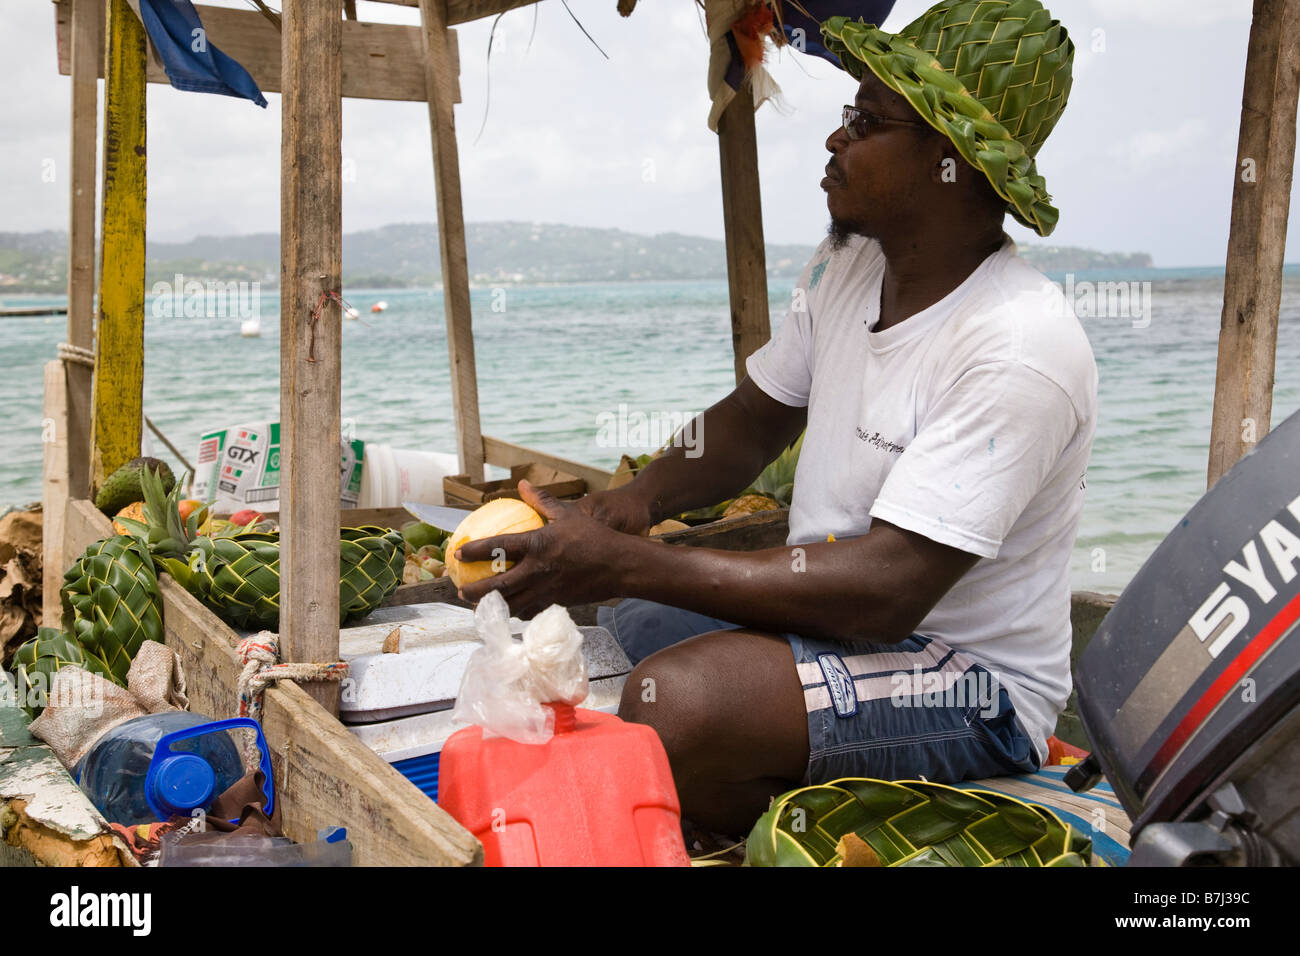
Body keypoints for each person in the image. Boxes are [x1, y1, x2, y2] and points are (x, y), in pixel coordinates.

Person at [456, 0, 1096, 835]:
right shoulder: (849, 264)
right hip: (842, 619)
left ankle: (849, 829)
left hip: (969, 679)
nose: (836, 140)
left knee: (672, 698)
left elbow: (887, 592)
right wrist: (632, 503)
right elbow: (755, 419)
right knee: (631, 630)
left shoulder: (1019, 345)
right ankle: (794, 787)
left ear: (948, 160)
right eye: (846, 115)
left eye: (865, 122)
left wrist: (625, 563)